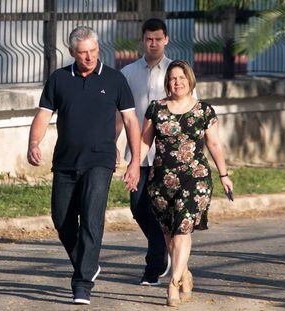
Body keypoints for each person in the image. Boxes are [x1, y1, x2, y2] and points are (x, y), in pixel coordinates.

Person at [27, 26, 141, 305]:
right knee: (62, 219)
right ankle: (86, 261)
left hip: (100, 160)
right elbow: (43, 115)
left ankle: (82, 282)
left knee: (91, 218)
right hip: (65, 161)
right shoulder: (59, 79)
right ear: (72, 53)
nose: (89, 57)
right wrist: (33, 143)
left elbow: (130, 121)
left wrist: (135, 161)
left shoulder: (115, 79)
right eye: (82, 53)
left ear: (98, 49)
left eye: (92, 51)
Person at [140, 60, 233, 306]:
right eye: (172, 78)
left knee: (183, 228)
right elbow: (144, 142)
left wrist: (224, 175)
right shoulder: (156, 109)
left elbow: (214, 144)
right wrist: (132, 168)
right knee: (170, 233)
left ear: (190, 80)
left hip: (195, 179)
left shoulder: (204, 111)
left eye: (181, 77)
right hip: (160, 181)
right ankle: (185, 273)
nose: (177, 82)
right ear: (167, 83)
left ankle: (173, 283)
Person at [116, 18, 173, 286]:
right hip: (137, 154)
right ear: (143, 40)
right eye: (149, 39)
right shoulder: (127, 73)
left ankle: (153, 267)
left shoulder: (176, 71)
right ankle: (162, 247)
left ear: (166, 40)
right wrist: (113, 146)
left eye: (158, 39)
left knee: (161, 210)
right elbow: (120, 115)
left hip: (167, 154)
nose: (153, 44)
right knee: (138, 206)